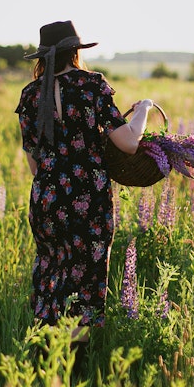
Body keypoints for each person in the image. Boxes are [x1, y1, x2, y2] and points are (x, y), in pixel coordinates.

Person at [15, 20, 154, 348]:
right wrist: (143, 110)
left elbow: (34, 163)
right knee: (85, 279)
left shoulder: (31, 95)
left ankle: (46, 355)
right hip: (88, 200)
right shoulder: (92, 85)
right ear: (75, 52)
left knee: (52, 273)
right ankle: (72, 362)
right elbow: (130, 143)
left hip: (46, 200)